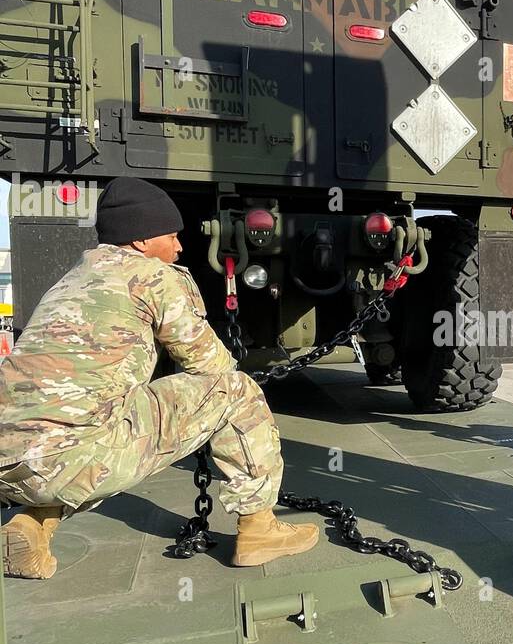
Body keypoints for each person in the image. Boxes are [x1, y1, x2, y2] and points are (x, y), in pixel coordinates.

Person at [0, 177, 319, 579]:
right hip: (72, 455)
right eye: (171, 236)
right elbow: (209, 365)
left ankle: (32, 525)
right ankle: (259, 528)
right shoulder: (151, 276)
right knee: (236, 390)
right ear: (141, 241)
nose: (180, 246)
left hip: (9, 462)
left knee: (77, 432)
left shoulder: (70, 281)